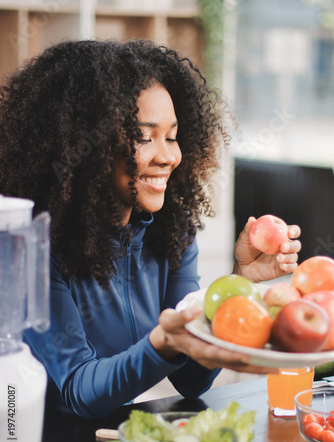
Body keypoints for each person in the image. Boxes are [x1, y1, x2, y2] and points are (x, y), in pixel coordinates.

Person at [0, 39, 301, 419]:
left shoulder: (171, 232)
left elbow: (192, 380)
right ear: (84, 145)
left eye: (172, 137)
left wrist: (238, 284)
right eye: (144, 137)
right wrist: (162, 344)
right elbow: (79, 389)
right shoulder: (33, 248)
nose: (168, 156)